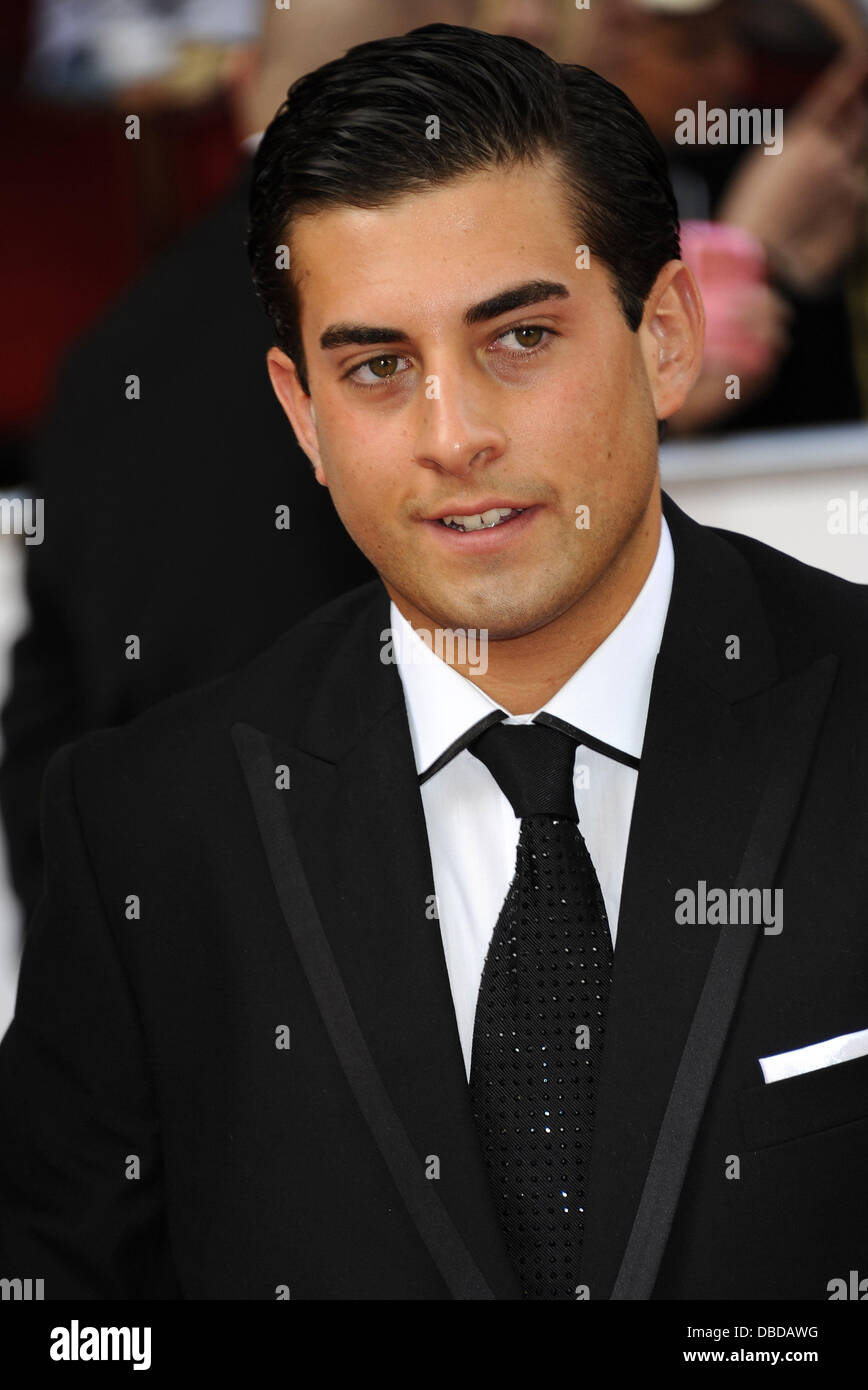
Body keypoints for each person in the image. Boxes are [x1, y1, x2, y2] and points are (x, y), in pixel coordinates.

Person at [1, 22, 866, 1301]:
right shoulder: (146, 830)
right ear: (302, 415)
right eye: (377, 367)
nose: (451, 435)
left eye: (519, 338)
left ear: (665, 334)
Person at [0, 0, 471, 930]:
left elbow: (43, 733)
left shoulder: (102, 355)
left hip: (163, 949)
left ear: (236, 76)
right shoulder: (449, 310)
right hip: (404, 944)